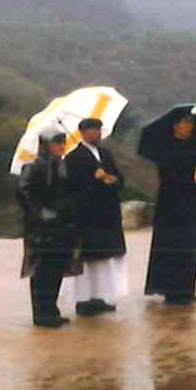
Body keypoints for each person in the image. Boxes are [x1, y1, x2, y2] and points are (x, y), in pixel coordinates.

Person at [143, 109, 196, 305]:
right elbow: (168, 177)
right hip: (171, 205)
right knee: (172, 246)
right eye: (186, 122)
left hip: (191, 204)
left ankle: (187, 288)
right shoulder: (165, 149)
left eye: (191, 123)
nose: (190, 126)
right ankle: (171, 290)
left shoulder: (195, 149)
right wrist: (191, 178)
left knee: (190, 246)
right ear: (176, 126)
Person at [15, 126, 79, 327]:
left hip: (61, 226)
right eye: (57, 142)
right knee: (42, 270)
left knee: (57, 269)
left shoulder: (62, 166)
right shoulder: (33, 167)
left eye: (63, 142)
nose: (61, 146)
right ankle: (41, 313)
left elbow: (67, 192)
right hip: (40, 229)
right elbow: (22, 192)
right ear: (46, 145)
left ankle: (51, 309)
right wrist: (40, 212)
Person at [63, 117, 128, 316]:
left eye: (100, 129)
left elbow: (120, 180)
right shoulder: (73, 158)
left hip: (107, 215)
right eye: (94, 130)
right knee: (87, 260)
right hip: (87, 217)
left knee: (102, 259)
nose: (98, 133)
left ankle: (98, 296)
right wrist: (94, 179)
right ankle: (83, 300)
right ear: (83, 132)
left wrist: (113, 179)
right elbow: (70, 188)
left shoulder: (105, 154)